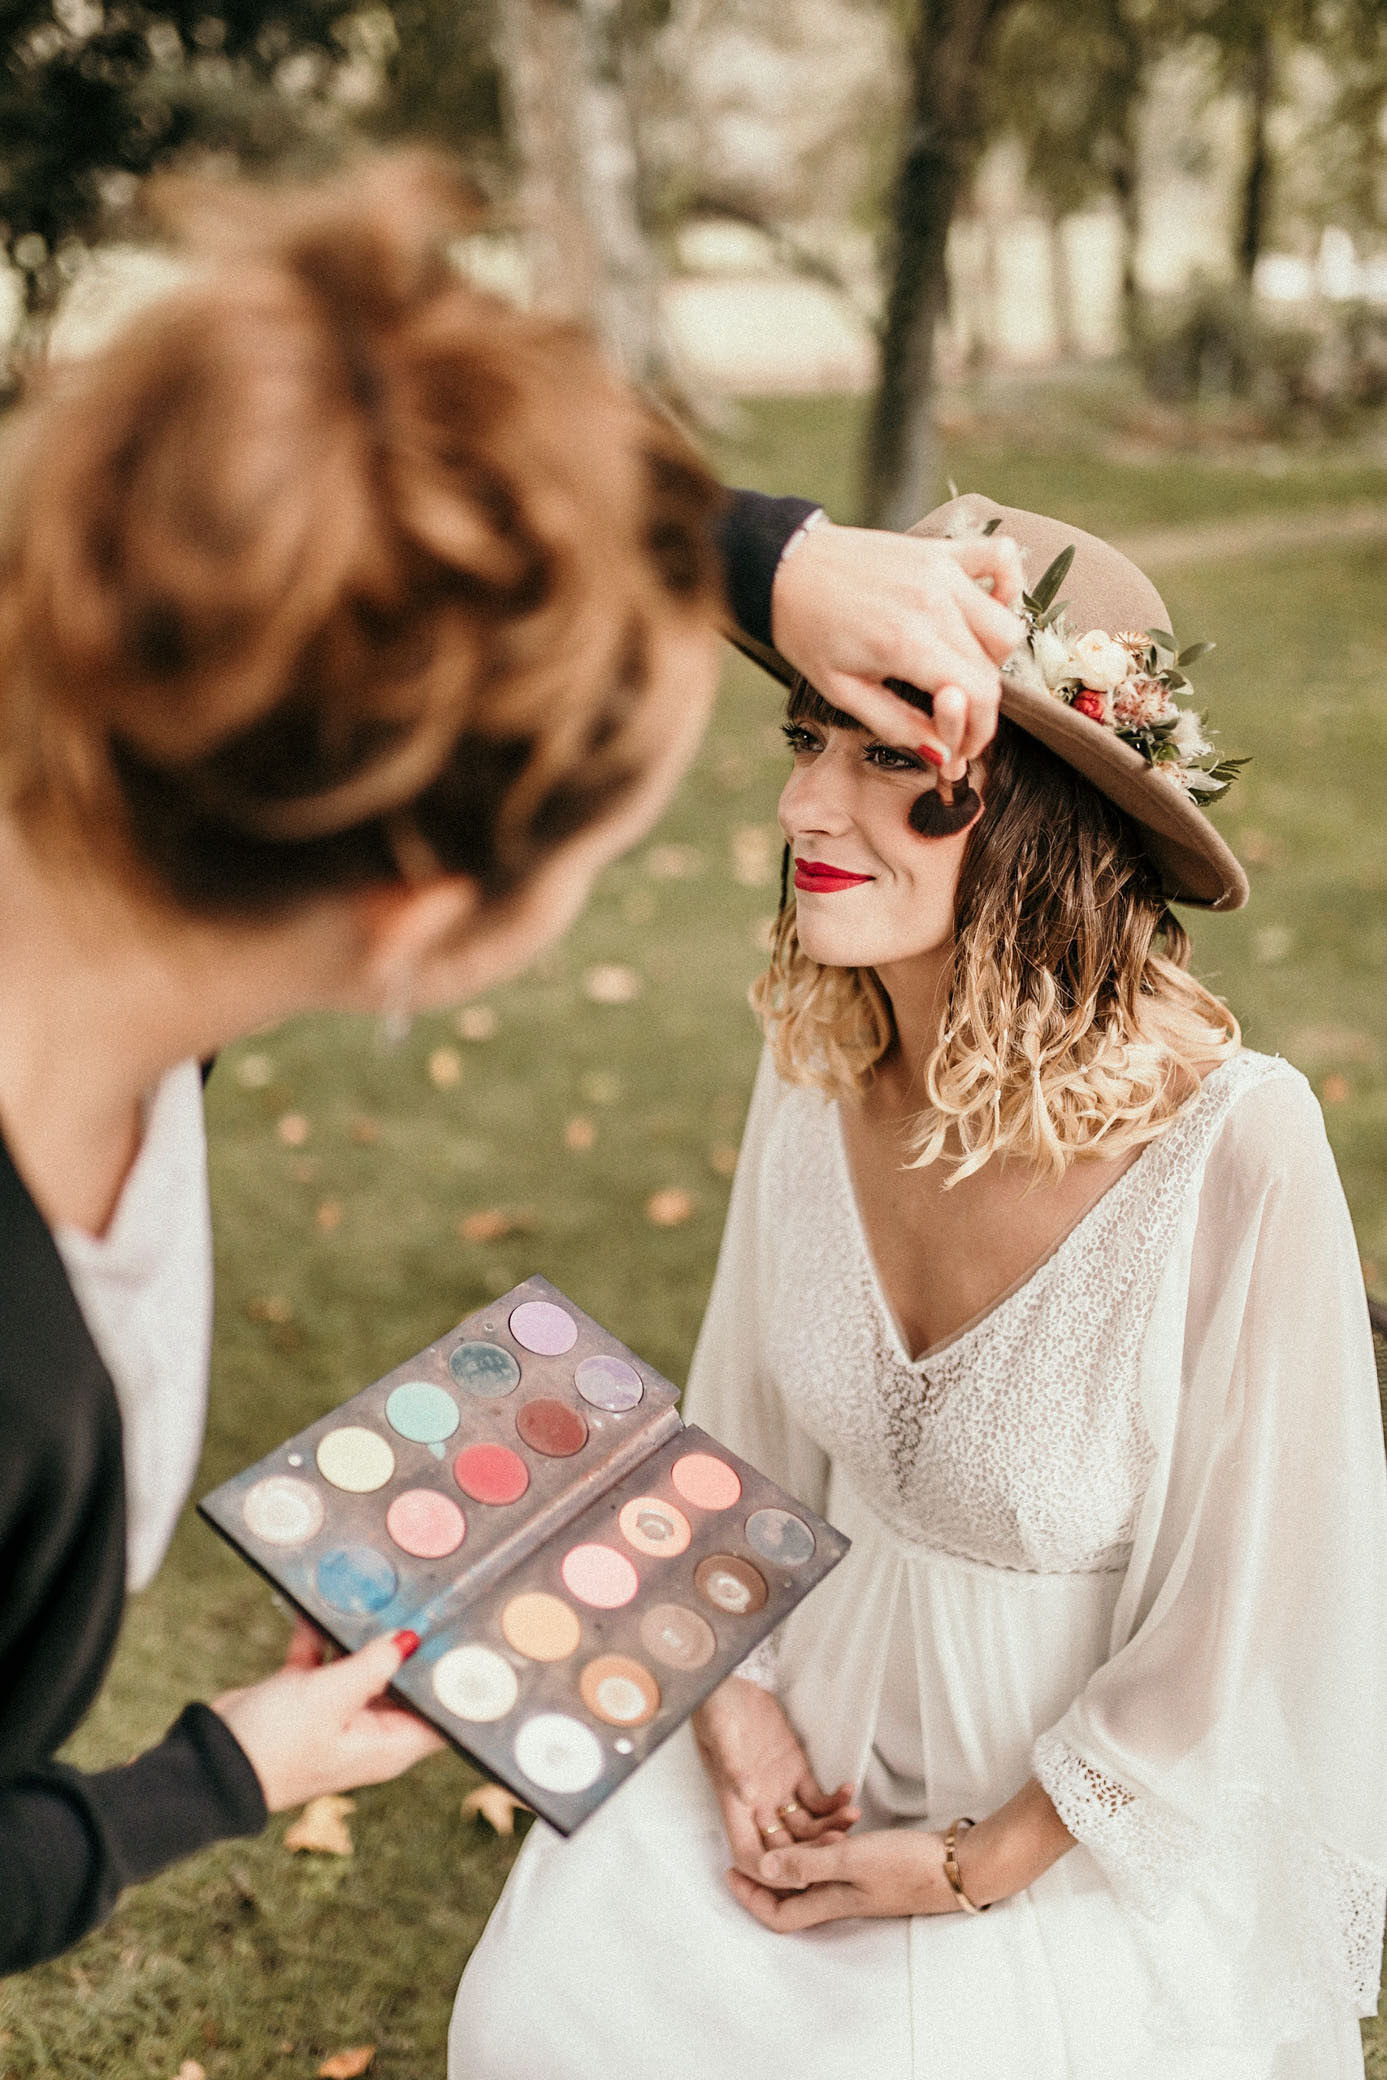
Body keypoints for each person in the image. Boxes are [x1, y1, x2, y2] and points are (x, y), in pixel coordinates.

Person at [0, 155, 1026, 1976]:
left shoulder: (116, 812)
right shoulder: (23, 1389)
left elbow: (349, 419)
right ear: (423, 922)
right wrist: (198, 1784)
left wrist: (763, 560)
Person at [449, 494, 1387, 2080]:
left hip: (1080, 1821)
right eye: (810, 738)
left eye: (891, 755)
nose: (808, 805)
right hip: (796, 1732)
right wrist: (733, 1714)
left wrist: (978, 1861)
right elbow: (738, 1437)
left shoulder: (1240, 1148)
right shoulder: (813, 1061)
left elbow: (1254, 1614)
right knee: (538, 2020)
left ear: (1039, 811)